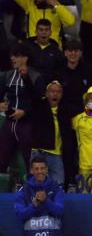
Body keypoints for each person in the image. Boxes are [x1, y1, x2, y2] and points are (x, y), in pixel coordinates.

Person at [0, 43, 46, 173]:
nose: (12, 58)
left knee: (29, 161)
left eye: (16, 56)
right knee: (1, 158)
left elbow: (38, 102)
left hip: (27, 124)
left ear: (25, 58)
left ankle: (32, 188)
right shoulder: (7, 75)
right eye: (11, 56)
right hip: (9, 123)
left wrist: (25, 112)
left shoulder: (37, 76)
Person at [14, 156, 65, 236]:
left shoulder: (56, 188)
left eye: (42, 168)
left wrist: (46, 200)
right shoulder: (24, 190)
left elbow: (60, 210)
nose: (39, 171)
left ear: (47, 169)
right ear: (31, 171)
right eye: (36, 169)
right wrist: (35, 204)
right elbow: (20, 214)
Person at [27, 80, 78, 188]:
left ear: (62, 95)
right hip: (39, 153)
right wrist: (25, 77)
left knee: (58, 186)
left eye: (58, 92)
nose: (55, 94)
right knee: (35, 187)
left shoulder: (65, 111)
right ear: (46, 93)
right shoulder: (39, 106)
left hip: (56, 155)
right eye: (52, 91)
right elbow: (31, 93)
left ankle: (54, 204)